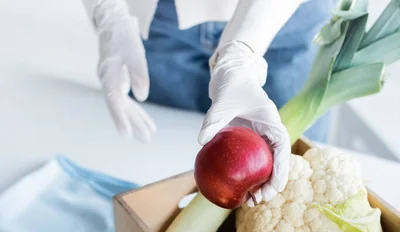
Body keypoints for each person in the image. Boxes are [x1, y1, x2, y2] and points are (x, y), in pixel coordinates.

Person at [82, 0, 334, 200]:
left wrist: (242, 52)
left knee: (296, 170)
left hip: (282, 17)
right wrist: (109, 13)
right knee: (158, 163)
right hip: (161, 18)